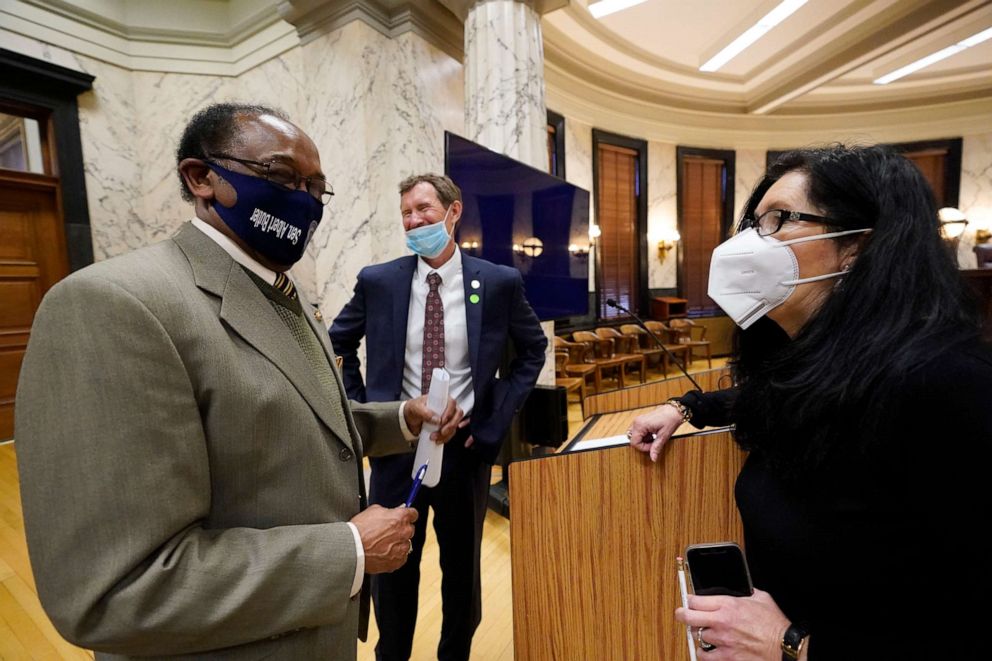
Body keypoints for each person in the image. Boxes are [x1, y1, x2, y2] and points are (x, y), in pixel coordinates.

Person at [14, 102, 464, 660]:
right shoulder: (113, 305)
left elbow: (285, 418)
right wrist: (347, 552)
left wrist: (401, 417)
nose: (301, 199)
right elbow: (113, 592)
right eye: (280, 177)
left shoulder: (285, 294)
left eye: (315, 188)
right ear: (202, 177)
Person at [628, 145, 991, 660]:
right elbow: (770, 394)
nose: (749, 242)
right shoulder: (816, 371)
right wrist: (686, 407)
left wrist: (792, 645)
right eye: (753, 223)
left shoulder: (950, 387)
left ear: (857, 248)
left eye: (779, 220)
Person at [330, 173, 547, 660]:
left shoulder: (496, 282)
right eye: (406, 212)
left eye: (424, 209)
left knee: (461, 571)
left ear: (453, 211)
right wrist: (371, 412)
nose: (414, 220)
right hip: (395, 452)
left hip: (463, 454)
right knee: (393, 573)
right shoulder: (378, 281)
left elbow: (533, 350)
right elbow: (336, 342)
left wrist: (490, 423)